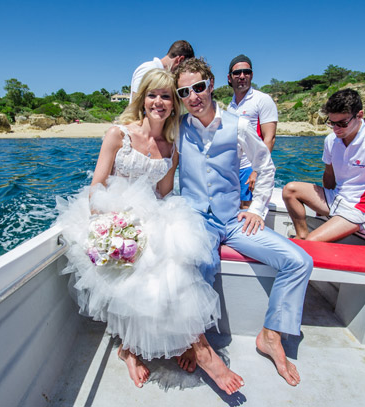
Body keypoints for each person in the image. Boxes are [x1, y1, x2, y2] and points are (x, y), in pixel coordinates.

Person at [55, 69, 241, 394]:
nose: (159, 102)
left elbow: (164, 194)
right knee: (145, 257)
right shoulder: (118, 134)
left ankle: (172, 343)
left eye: (166, 96)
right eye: (153, 95)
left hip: (149, 214)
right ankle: (184, 349)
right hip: (109, 215)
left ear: (173, 105)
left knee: (174, 251)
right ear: (142, 100)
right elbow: (96, 186)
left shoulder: (172, 145)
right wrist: (116, 223)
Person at [174, 57, 313, 387]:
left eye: (198, 87)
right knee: (198, 263)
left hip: (233, 218)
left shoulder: (237, 125)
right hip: (197, 218)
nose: (193, 96)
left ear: (210, 84)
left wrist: (257, 210)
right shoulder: (176, 126)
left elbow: (265, 168)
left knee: (298, 260)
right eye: (184, 91)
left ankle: (270, 334)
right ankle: (197, 342)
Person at [282, 88, 365, 245]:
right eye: (332, 123)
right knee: (290, 189)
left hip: (360, 208)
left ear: (359, 115)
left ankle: (307, 242)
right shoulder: (331, 140)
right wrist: (321, 208)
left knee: (312, 242)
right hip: (336, 198)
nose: (336, 129)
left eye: (342, 123)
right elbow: (329, 175)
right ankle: (302, 235)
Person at [226, 54, 278, 209]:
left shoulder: (262, 100)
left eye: (246, 72)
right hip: (235, 167)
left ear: (251, 75)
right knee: (235, 208)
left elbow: (270, 138)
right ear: (230, 78)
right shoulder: (230, 107)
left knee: (247, 209)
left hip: (250, 166)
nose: (242, 76)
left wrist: (256, 170)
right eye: (237, 73)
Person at [129, 40, 194, 103]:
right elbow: (136, 101)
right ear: (180, 60)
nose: (182, 72)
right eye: (184, 67)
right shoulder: (148, 69)